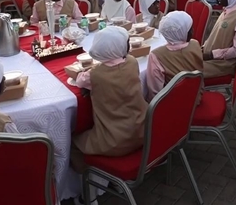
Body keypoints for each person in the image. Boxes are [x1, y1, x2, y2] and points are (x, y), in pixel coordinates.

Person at [71, 27, 147, 171]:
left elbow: (80, 81)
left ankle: (91, 184)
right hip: (142, 129)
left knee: (72, 142)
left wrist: (88, 71)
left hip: (113, 140)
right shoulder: (132, 62)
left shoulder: (95, 75)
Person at [144, 11, 203, 100]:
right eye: (189, 29)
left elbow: (155, 90)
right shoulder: (195, 44)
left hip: (174, 103)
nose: (193, 30)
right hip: (197, 95)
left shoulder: (156, 55)